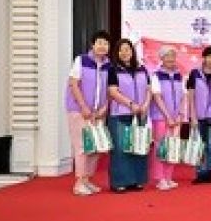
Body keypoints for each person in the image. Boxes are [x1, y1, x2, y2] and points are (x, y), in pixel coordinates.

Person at [65, 30, 111, 196]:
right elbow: (73, 84)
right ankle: (79, 183)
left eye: (105, 43)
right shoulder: (81, 60)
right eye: (99, 42)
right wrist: (83, 106)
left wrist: (104, 108)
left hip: (98, 113)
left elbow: (110, 90)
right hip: (79, 110)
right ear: (93, 44)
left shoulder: (108, 65)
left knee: (95, 147)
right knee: (82, 146)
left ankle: (86, 180)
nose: (102, 46)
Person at [106, 38, 151, 193]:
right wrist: (131, 104)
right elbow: (113, 92)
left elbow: (149, 89)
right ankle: (120, 182)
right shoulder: (113, 69)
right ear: (117, 53)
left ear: (132, 51)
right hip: (120, 114)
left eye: (127, 49)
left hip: (140, 114)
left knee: (139, 146)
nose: (125, 52)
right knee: (121, 149)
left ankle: (137, 180)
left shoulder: (142, 68)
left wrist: (145, 105)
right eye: (121, 50)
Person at [150, 46, 186, 191]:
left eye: (173, 56)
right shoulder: (156, 75)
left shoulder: (179, 75)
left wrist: (180, 114)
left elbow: (183, 96)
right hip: (161, 117)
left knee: (173, 146)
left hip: (176, 118)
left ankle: (169, 177)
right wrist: (168, 116)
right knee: (161, 147)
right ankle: (160, 179)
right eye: (167, 56)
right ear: (161, 58)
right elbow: (157, 97)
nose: (170, 59)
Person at [187, 46, 211, 184]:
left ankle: (209, 172)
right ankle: (200, 173)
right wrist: (193, 116)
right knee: (199, 145)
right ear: (204, 57)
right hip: (198, 116)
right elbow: (190, 96)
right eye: (210, 56)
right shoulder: (195, 73)